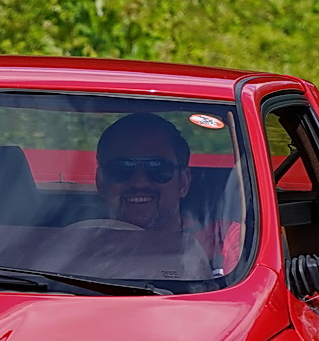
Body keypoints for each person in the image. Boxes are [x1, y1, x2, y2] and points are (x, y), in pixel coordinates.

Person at [93, 112, 243, 277]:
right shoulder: (78, 244)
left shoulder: (224, 239)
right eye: (121, 168)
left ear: (184, 182)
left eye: (158, 168)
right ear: (100, 182)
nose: (139, 183)